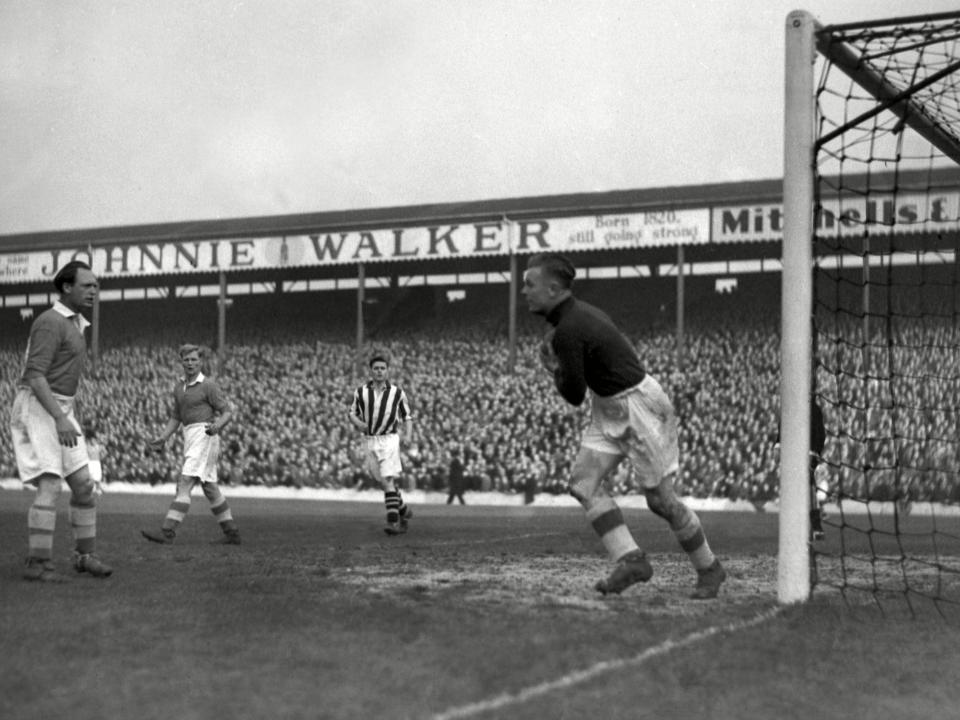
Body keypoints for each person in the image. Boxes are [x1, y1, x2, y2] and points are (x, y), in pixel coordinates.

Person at [521, 253, 725, 599]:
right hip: (610, 404)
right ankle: (632, 560)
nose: (523, 290)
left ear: (553, 288)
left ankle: (709, 568)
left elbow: (572, 394)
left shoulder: (569, 328)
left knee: (661, 502)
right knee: (583, 484)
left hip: (639, 408)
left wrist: (553, 369)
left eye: (530, 284)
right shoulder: (575, 317)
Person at [10, 260, 113, 581]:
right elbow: (35, 375)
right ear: (67, 287)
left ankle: (84, 556)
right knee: (51, 484)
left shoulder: (76, 324)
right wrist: (59, 418)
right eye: (87, 285)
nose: (94, 290)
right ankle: (37, 563)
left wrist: (65, 415)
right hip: (41, 405)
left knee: (83, 485)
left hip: (60, 407)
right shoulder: (50, 322)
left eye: (96, 285)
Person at [141, 344, 241, 545]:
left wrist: (217, 426)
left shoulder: (208, 385)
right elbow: (176, 416)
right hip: (190, 436)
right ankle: (232, 533)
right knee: (209, 487)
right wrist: (164, 437)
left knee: (185, 482)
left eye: (194, 359)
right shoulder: (179, 387)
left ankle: (167, 531)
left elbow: (227, 411)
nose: (190, 363)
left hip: (205, 434)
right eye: (186, 359)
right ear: (181, 361)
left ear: (201, 362)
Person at [349, 352, 414, 535]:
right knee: (383, 483)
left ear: (387, 371)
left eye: (382, 368)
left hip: (389, 439)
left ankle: (393, 522)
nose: (379, 371)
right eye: (376, 368)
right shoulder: (361, 392)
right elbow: (351, 413)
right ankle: (404, 511)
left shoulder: (397, 393)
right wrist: (359, 423)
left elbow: (407, 417)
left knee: (387, 480)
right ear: (371, 371)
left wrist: (408, 435)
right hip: (370, 441)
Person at [84, 421, 105, 496]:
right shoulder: (87, 446)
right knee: (90, 478)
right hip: (90, 462)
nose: (94, 441)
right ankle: (88, 491)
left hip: (97, 462)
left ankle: (98, 489)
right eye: (92, 440)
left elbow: (103, 452)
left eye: (95, 440)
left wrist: (102, 454)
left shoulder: (97, 446)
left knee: (98, 477)